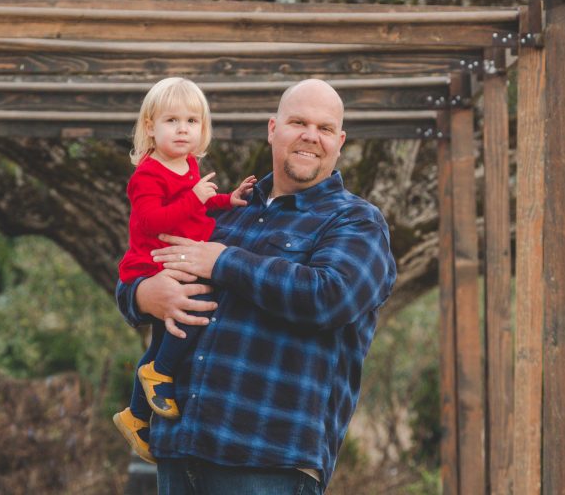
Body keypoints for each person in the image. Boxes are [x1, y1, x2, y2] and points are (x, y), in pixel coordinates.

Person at [115, 79, 397, 494]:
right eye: (298, 122)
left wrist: (224, 261)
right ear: (272, 129)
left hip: (268, 459)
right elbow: (145, 264)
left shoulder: (355, 222)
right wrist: (143, 295)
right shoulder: (227, 213)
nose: (309, 136)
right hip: (179, 450)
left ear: (339, 141)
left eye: (323, 128)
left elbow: (328, 297)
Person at [112, 77, 256, 464]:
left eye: (191, 121)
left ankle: (136, 414)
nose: (182, 129)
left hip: (178, 261)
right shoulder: (147, 174)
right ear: (150, 128)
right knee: (192, 312)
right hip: (155, 263)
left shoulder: (189, 164)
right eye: (172, 120)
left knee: (165, 333)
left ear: (202, 129)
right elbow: (149, 221)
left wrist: (229, 198)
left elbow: (201, 208)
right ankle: (161, 372)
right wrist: (194, 198)